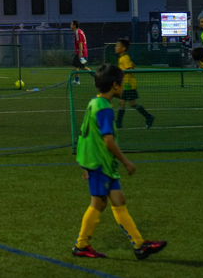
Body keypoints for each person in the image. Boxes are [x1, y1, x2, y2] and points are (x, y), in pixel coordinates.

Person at [72, 63, 166, 260]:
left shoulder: (94, 103)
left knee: (118, 201)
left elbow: (86, 135)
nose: (123, 87)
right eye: (122, 84)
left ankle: (140, 245)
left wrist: (87, 164)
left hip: (98, 163)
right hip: (101, 164)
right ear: (115, 85)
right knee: (98, 204)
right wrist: (125, 161)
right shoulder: (104, 109)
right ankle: (81, 245)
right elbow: (108, 141)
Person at [114, 38, 154, 129]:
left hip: (128, 85)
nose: (115, 47)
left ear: (123, 48)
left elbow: (130, 68)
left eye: (117, 46)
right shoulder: (122, 58)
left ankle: (118, 123)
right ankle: (149, 117)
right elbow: (132, 65)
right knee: (131, 103)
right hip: (126, 84)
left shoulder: (125, 58)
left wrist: (119, 72)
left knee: (122, 102)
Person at [71, 20, 89, 84]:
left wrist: (80, 53)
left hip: (80, 52)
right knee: (82, 67)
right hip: (82, 52)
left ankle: (77, 80)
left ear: (74, 26)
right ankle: (94, 75)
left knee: (74, 66)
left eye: (71, 24)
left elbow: (80, 43)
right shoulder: (79, 31)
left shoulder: (77, 32)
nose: (70, 26)